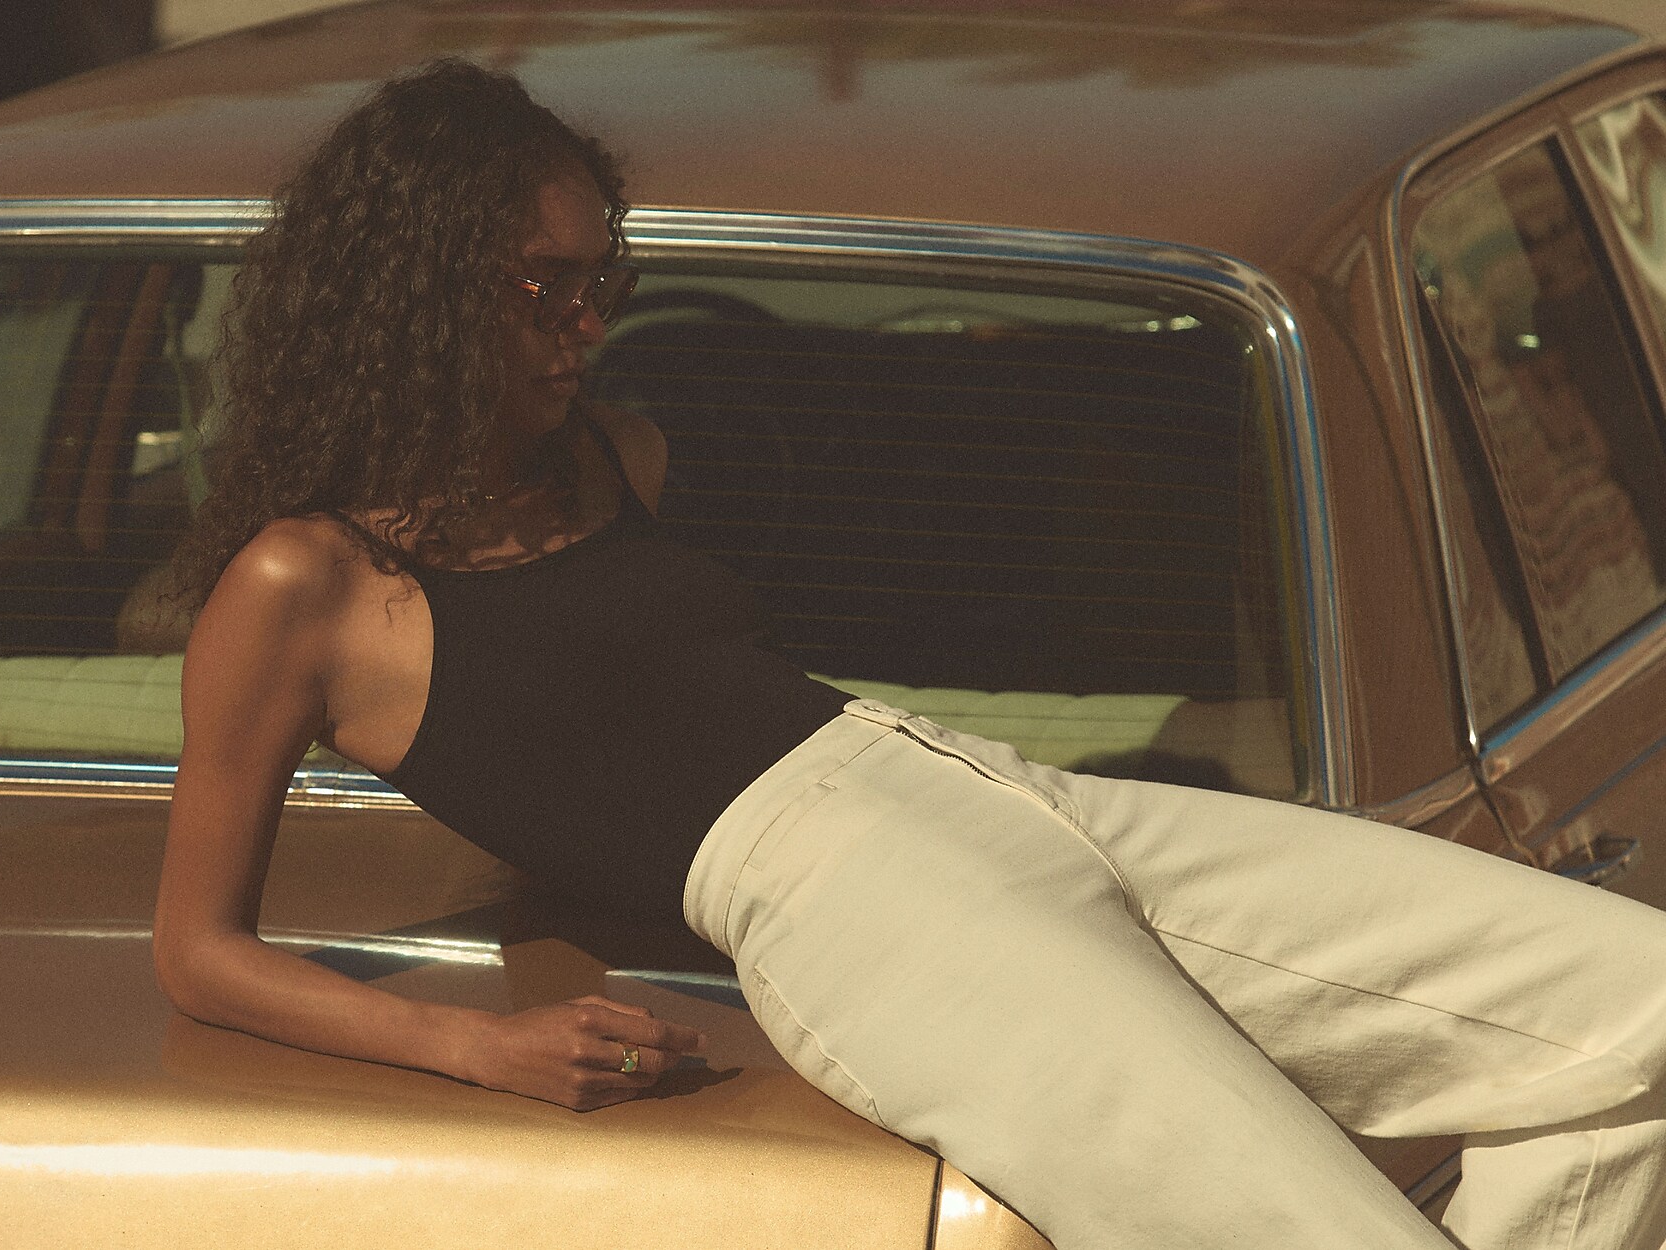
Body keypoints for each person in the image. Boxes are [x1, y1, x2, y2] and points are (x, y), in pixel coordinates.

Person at [153, 58, 1666, 1249]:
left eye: (598, 278)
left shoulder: (614, 457)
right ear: (415, 288)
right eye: (538, 287)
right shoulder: (309, 583)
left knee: (1639, 1010)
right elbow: (198, 950)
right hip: (862, 913)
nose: (582, 322)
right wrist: (479, 1046)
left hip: (1000, 793)